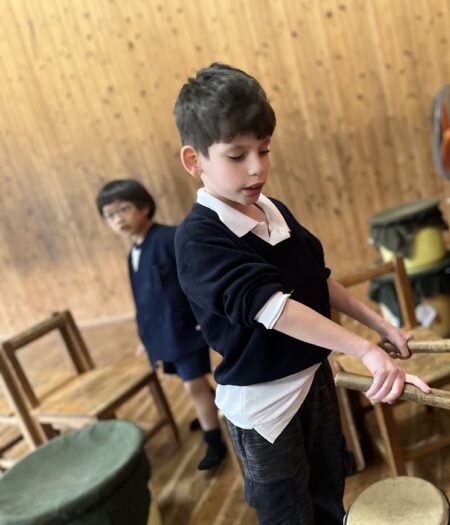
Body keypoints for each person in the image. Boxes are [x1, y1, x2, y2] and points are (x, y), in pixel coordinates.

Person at [172, 63, 431, 524]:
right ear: (195, 161)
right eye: (237, 156)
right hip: (265, 407)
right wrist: (364, 350)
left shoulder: (271, 209)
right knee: (288, 514)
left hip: (313, 379)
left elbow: (316, 280)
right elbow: (276, 310)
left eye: (264, 150)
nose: (257, 167)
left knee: (329, 492)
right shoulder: (199, 238)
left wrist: (381, 325)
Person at [96, 179, 227, 471]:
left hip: (186, 330)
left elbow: (194, 284)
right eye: (110, 215)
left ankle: (214, 440)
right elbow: (144, 301)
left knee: (193, 385)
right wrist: (145, 337)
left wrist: (204, 322)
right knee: (193, 383)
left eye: (124, 209)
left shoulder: (171, 238)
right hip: (165, 333)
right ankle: (212, 406)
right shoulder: (133, 253)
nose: (118, 219)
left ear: (144, 207)